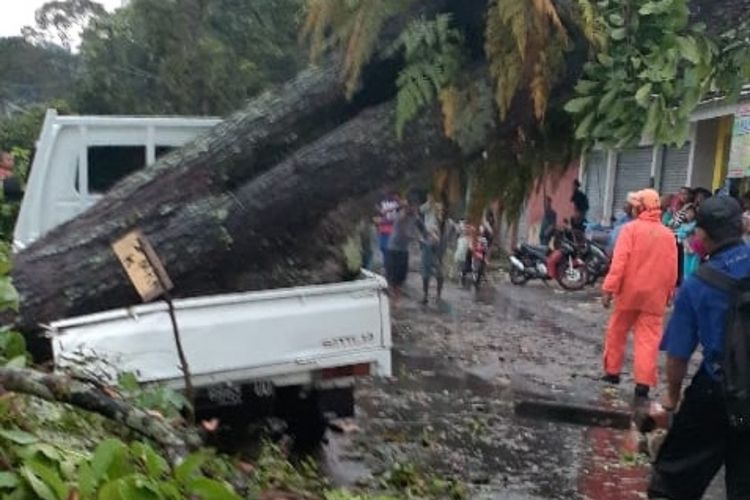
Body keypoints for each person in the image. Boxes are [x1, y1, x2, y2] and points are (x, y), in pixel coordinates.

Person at [649, 196, 750, 500]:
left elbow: (678, 354)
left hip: (716, 393)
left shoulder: (698, 284)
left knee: (672, 480)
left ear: (703, 235)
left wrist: (671, 398)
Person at [601, 189, 677, 402]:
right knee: (648, 340)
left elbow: (619, 263)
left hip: (628, 294)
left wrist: (609, 289)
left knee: (617, 332)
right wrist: (669, 293)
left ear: (640, 207)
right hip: (654, 297)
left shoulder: (630, 230)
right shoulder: (668, 235)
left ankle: (612, 373)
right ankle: (642, 386)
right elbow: (672, 269)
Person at [385, 200, 419, 299]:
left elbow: (421, 229)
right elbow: (405, 230)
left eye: (416, 207)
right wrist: (402, 207)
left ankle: (396, 298)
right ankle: (392, 297)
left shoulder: (415, 217)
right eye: (412, 207)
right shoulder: (401, 215)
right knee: (392, 276)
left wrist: (427, 236)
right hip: (393, 249)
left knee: (400, 277)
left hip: (403, 250)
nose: (415, 209)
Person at [418, 202, 446, 304]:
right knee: (426, 272)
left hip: (437, 248)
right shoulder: (429, 215)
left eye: (441, 211)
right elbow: (421, 210)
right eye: (438, 211)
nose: (440, 212)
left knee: (440, 273)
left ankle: (438, 295)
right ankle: (425, 295)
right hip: (428, 246)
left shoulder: (444, 223)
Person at [375, 192, 401, 265]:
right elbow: (377, 218)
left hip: (392, 232)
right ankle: (388, 265)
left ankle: (390, 265)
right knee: (384, 249)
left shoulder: (397, 205)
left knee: (389, 250)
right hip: (384, 231)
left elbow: (396, 219)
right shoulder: (382, 204)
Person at [675, 205, 700, 278]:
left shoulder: (696, 224)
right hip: (686, 248)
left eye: (691, 212)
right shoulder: (683, 225)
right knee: (686, 267)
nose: (689, 215)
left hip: (695, 249)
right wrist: (684, 236)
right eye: (687, 213)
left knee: (694, 267)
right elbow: (679, 235)